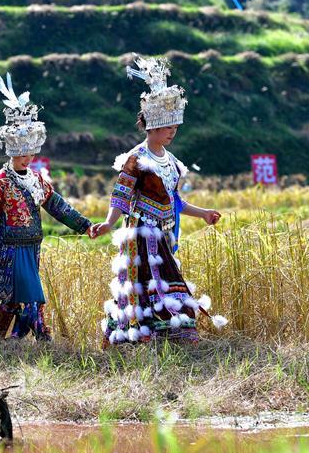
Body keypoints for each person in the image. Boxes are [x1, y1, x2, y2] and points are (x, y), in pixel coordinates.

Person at [90, 56, 227, 346]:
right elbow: (121, 195)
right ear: (151, 126)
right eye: (168, 128)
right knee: (142, 285)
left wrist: (203, 213)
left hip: (164, 234)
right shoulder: (136, 159)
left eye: (175, 128)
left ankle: (169, 336)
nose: (172, 133)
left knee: (167, 281)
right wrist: (109, 223)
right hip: (141, 234)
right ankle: (145, 337)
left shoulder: (172, 162)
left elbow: (175, 201)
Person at [0, 73, 93, 341]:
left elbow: (57, 206)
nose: (27, 159)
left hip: (32, 245)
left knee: (14, 297)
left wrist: (85, 226)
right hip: (8, 245)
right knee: (30, 295)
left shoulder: (36, 179)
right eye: (22, 154)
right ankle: (44, 339)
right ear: (11, 151)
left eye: (30, 154)